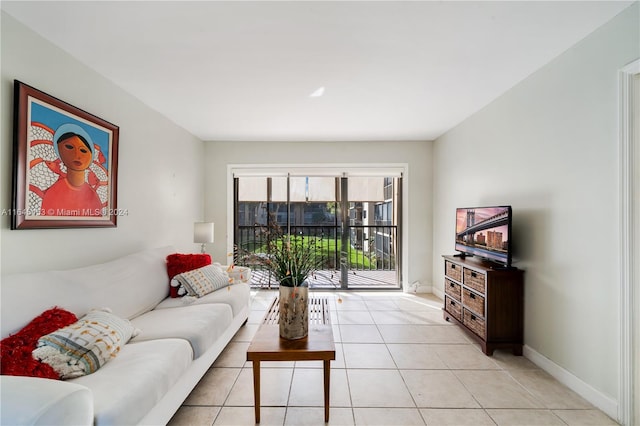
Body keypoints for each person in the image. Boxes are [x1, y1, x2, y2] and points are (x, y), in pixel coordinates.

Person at [41, 123, 102, 216]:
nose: (77, 155)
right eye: (69, 147)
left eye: (83, 150)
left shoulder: (92, 196)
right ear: (59, 152)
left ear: (91, 157)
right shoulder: (54, 193)